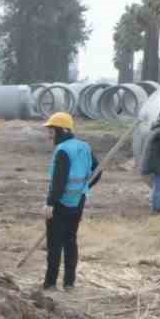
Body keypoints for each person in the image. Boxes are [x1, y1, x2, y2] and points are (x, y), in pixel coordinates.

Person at [40, 111, 102, 290]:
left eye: (52, 131)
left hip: (60, 204)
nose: (49, 135)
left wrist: (50, 203)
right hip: (78, 201)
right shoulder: (84, 146)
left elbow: (59, 181)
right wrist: (84, 188)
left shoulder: (63, 150)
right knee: (70, 241)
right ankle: (69, 283)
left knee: (54, 244)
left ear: (63, 130)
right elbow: (98, 171)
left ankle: (50, 283)